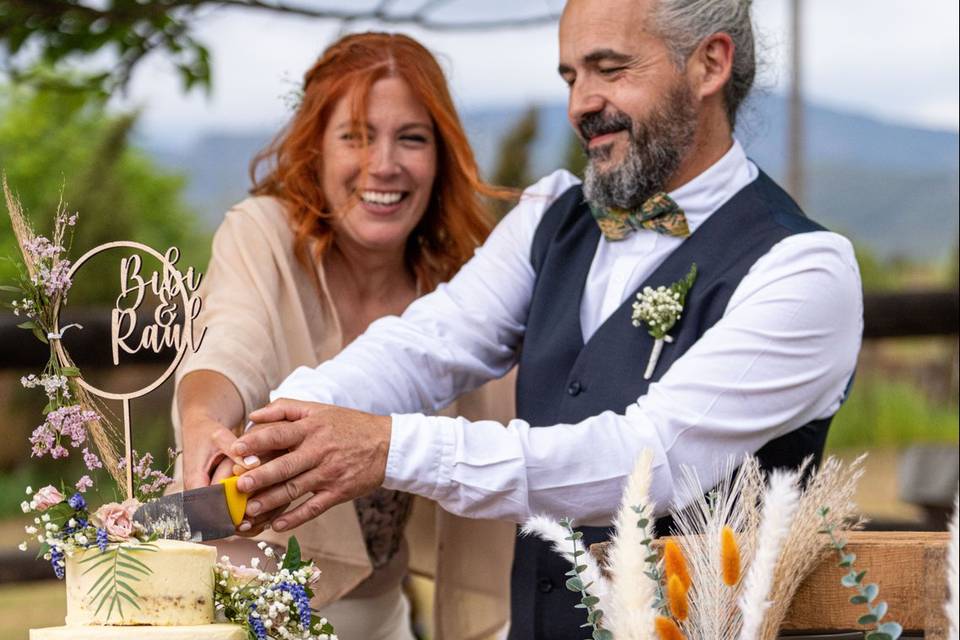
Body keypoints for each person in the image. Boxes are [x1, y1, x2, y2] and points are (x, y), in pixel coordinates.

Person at [225, 0, 863, 637]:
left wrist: (389, 448)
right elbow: (429, 342)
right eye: (570, 77)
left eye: (609, 69)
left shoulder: (804, 270)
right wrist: (286, 424)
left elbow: (647, 463)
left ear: (710, 64)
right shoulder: (552, 212)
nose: (581, 104)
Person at [172, 32, 516, 640]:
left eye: (411, 137)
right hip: (244, 614)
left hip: (385, 620)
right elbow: (230, 340)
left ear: (441, 156)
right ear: (316, 149)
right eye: (355, 136)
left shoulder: (461, 282)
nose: (383, 165)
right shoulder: (264, 237)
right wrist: (202, 420)